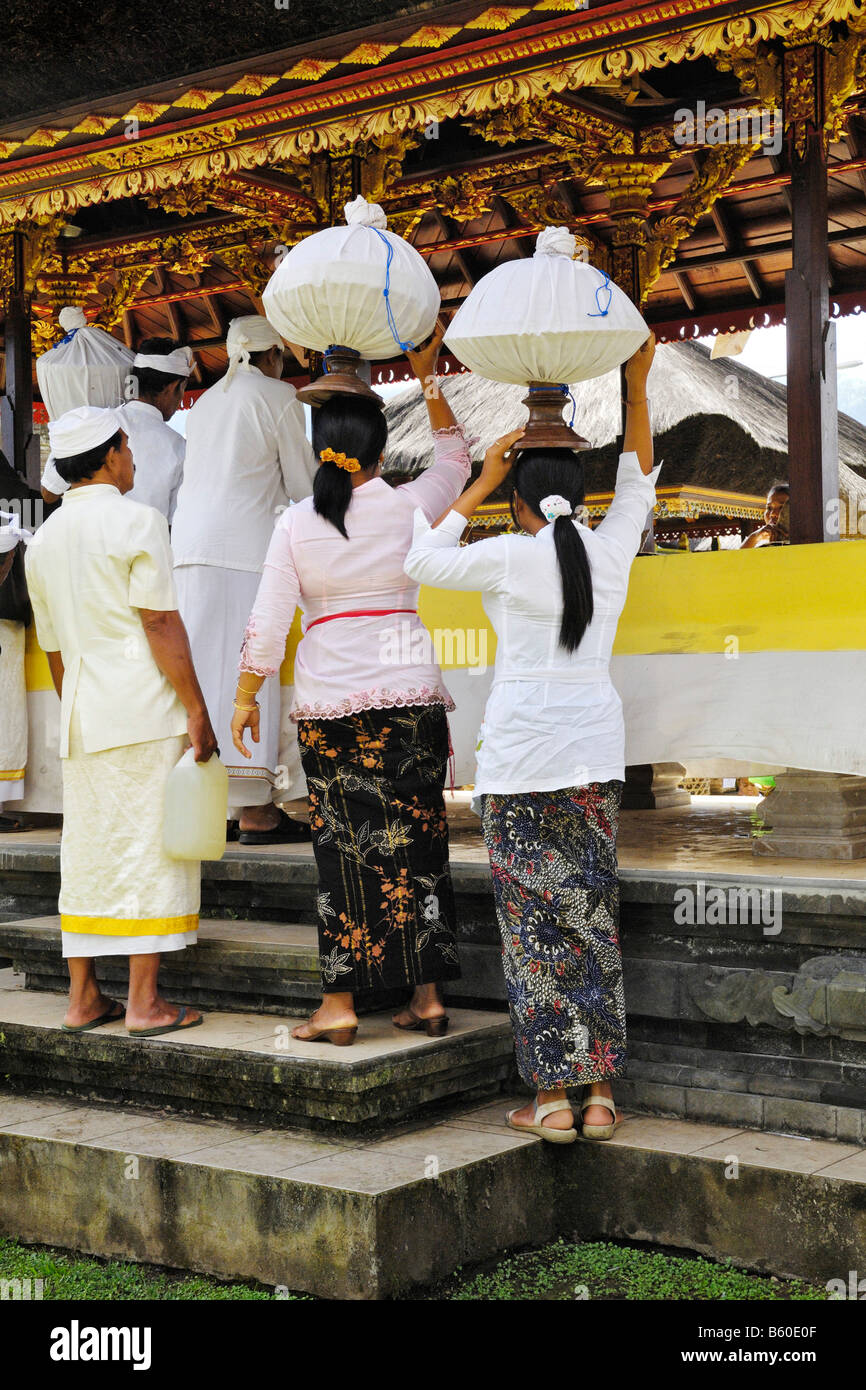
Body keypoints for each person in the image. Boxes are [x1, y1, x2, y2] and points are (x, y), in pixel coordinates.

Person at [404, 335, 660, 1142]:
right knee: (589, 919)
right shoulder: (609, 550)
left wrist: (477, 478)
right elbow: (639, 481)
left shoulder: (508, 557)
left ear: (517, 501)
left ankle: (551, 1100)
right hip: (591, 754)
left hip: (519, 761)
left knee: (534, 929)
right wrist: (637, 385)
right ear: (578, 499)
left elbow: (420, 556)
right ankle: (602, 1095)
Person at [230, 325, 472, 1045]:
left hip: (333, 708)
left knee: (343, 852)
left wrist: (244, 697)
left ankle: (340, 1007)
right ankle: (425, 997)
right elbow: (458, 459)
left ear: (319, 446)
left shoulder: (296, 523)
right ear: (377, 445)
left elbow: (269, 624)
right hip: (413, 701)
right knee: (420, 846)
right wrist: (428, 377)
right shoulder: (408, 506)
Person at [25, 404, 217, 1036]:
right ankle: (143, 1002)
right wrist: (196, 708)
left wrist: (79, 708)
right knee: (148, 849)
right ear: (109, 456)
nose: (134, 458)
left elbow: (54, 653)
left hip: (84, 714)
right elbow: (159, 622)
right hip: (144, 707)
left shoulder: (44, 539)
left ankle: (83, 997)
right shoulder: (139, 521)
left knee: (86, 851)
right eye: (129, 449)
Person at [171, 315, 317, 843]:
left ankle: (215, 806)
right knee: (248, 671)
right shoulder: (280, 396)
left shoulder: (205, 402)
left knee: (205, 676)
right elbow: (303, 485)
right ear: (271, 356)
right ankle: (255, 811)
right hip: (245, 552)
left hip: (188, 550)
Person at [40, 338, 191, 521]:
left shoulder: (94, 422)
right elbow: (175, 522)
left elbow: (49, 493)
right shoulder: (180, 448)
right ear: (174, 386)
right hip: (145, 546)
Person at [740, 482, 789, 548]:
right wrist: (754, 537)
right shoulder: (759, 545)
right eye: (769, 508)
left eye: (781, 508)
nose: (772, 514)